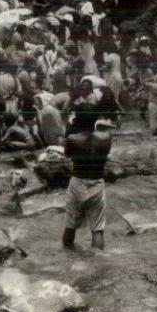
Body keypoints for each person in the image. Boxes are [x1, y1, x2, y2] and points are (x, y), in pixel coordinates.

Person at [62, 104, 112, 250]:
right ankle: (97, 262)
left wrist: (70, 127)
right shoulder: (107, 137)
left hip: (78, 181)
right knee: (97, 230)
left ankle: (67, 257)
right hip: (97, 183)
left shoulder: (72, 138)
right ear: (95, 120)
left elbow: (67, 155)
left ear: (77, 119)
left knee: (70, 225)